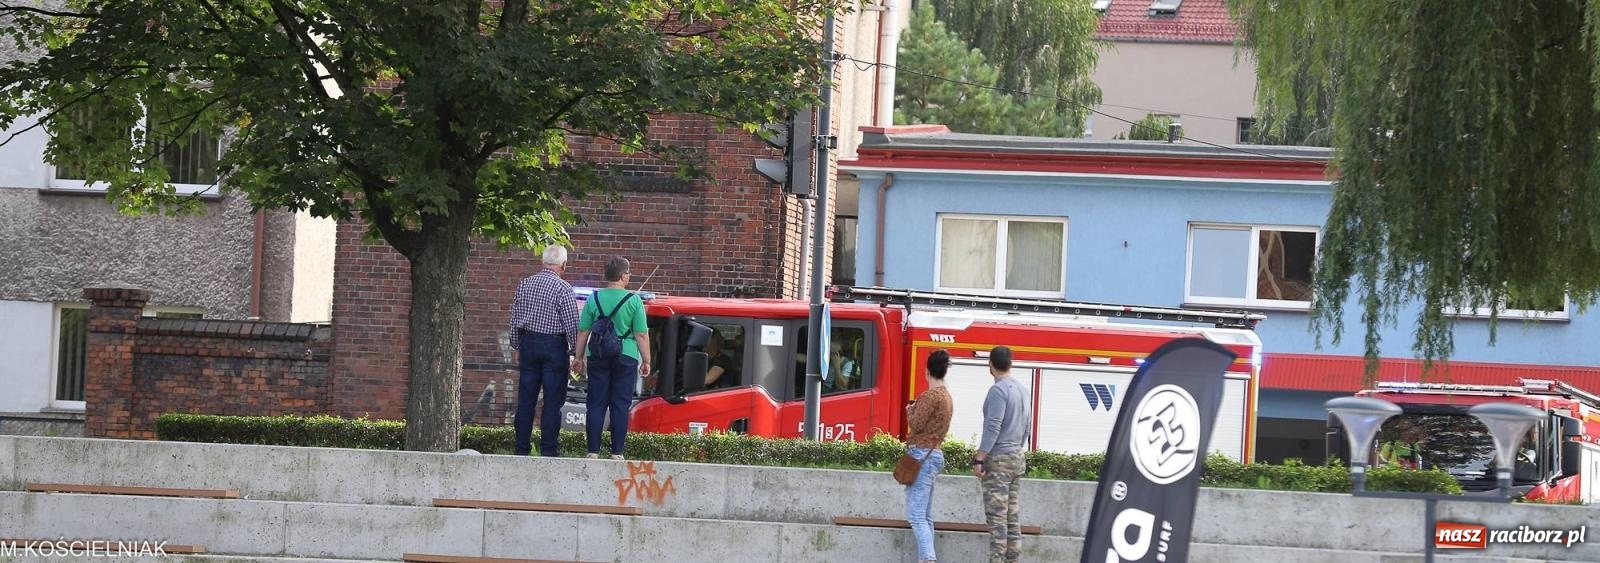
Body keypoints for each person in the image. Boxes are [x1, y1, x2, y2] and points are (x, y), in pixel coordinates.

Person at [574, 256, 651, 460]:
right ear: (623, 275)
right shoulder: (634, 300)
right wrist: (647, 360)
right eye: (629, 273)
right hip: (626, 355)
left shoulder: (593, 298)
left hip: (598, 354)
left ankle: (593, 451)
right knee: (620, 404)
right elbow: (641, 334)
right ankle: (617, 452)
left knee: (596, 403)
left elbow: (583, 331)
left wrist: (578, 357)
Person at [506, 245, 579, 457]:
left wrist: (517, 345)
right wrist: (575, 352)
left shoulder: (525, 284)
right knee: (552, 402)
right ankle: (549, 450)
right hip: (554, 346)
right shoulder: (563, 289)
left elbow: (514, 319)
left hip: (528, 343)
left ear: (543, 262)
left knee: (526, 400)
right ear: (563, 265)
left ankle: (521, 448)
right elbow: (571, 325)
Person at [972, 346, 1031, 563]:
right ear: (1011, 363)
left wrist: (980, 457)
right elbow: (1027, 427)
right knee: (1012, 519)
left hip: (999, 462)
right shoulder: (1023, 390)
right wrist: (1017, 448)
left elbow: (993, 427)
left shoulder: (998, 391)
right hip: (1017, 456)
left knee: (997, 522)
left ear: (990, 364)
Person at [904, 349, 954, 563]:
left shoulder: (930, 396)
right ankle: (926, 558)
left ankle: (928, 559)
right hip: (934, 454)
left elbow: (916, 424)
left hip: (921, 455)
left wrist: (910, 409)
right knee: (925, 516)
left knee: (916, 515)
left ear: (927, 371)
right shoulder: (947, 396)